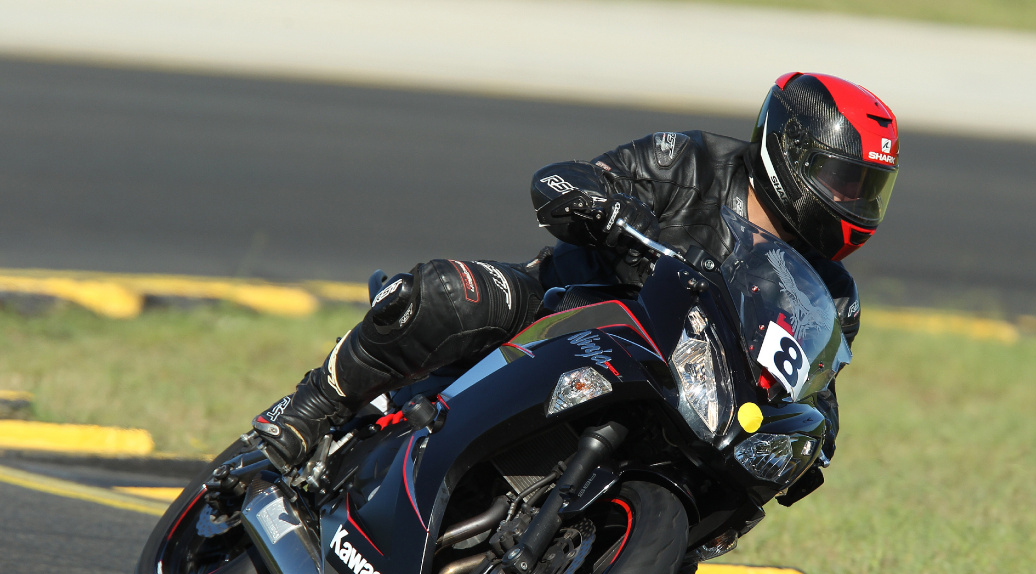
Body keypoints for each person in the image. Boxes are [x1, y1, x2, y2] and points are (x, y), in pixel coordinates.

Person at [251, 71, 899, 506]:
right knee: (447, 292)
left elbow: (818, 386)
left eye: (868, 190)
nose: (855, 203)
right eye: (844, 181)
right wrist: (609, 208)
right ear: (788, 153)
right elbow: (564, 179)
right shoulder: (690, 161)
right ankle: (309, 408)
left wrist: (814, 444)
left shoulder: (831, 292)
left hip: (682, 400)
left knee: (684, 558)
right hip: (561, 310)